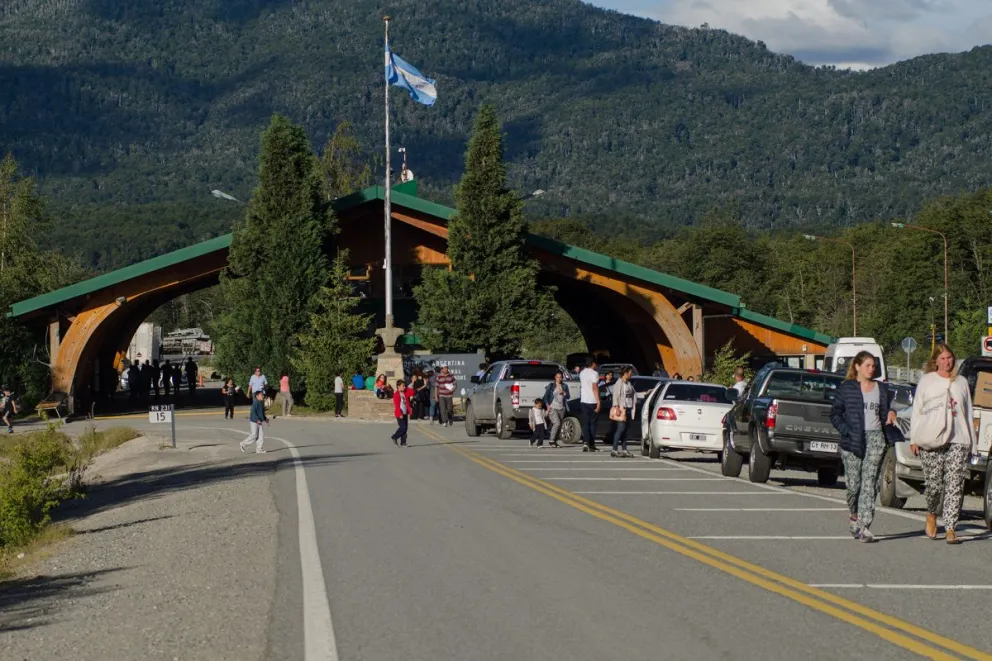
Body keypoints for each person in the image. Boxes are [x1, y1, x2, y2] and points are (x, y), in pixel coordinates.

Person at [829, 351, 899, 543]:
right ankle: (854, 514)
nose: (871, 369)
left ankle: (865, 526)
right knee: (854, 485)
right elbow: (835, 414)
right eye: (867, 365)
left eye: (873, 365)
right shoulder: (847, 388)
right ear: (857, 366)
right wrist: (846, 430)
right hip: (853, 439)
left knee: (869, 482)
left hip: (876, 438)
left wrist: (892, 412)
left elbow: (889, 407)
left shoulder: (882, 388)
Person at [910, 344, 975, 544]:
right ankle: (931, 513)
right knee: (934, 485)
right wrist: (914, 438)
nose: (947, 362)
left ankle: (950, 528)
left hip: (958, 439)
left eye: (950, 358)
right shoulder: (927, 381)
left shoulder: (962, 382)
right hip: (932, 438)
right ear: (936, 361)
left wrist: (971, 441)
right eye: (943, 358)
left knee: (955, 484)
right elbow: (917, 410)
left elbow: (969, 412)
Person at [610, 366, 636, 458]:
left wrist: (646, 393)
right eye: (630, 373)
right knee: (620, 429)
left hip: (628, 408)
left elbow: (634, 394)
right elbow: (615, 396)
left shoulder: (628, 383)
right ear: (626, 373)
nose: (631, 374)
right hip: (622, 409)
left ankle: (624, 449)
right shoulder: (619, 382)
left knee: (625, 431)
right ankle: (614, 449)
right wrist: (617, 408)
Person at [579, 357, 601, 452]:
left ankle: (585, 442)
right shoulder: (594, 373)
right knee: (593, 424)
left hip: (583, 400)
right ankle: (591, 444)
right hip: (592, 401)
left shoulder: (582, 373)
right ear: (593, 363)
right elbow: (594, 387)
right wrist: (598, 401)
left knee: (585, 423)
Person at [544, 371, 570, 448]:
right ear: (555, 377)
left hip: (561, 408)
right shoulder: (551, 386)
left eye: (560, 377)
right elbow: (546, 396)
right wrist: (547, 405)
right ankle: (551, 440)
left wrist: (564, 393)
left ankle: (555, 441)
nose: (559, 378)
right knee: (557, 423)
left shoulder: (565, 386)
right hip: (553, 407)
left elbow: (568, 396)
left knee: (559, 425)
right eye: (557, 377)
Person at [240, 390, 269, 454]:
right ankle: (243, 443)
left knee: (261, 436)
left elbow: (261, 413)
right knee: (254, 435)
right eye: (261, 395)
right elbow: (253, 413)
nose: (263, 396)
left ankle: (259, 449)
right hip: (254, 421)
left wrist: (265, 418)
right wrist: (257, 420)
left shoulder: (261, 402)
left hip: (259, 421)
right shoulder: (255, 403)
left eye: (263, 395)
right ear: (257, 396)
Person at [391, 379, 414, 447]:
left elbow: (412, 392)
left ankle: (403, 442)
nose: (404, 387)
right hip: (399, 413)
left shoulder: (405, 393)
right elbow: (397, 405)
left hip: (405, 412)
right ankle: (394, 437)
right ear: (398, 386)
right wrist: (399, 414)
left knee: (405, 428)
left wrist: (406, 388)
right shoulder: (396, 395)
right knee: (403, 427)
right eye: (403, 386)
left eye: (404, 386)